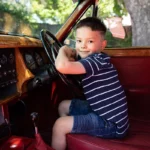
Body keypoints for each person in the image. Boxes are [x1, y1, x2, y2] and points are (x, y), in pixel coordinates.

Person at [52, 17, 129, 150]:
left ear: (102, 45)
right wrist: (72, 55)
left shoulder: (95, 62)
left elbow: (62, 66)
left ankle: (65, 130)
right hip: (101, 110)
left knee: (59, 125)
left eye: (90, 41)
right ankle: (71, 134)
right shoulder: (97, 59)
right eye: (79, 41)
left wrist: (63, 50)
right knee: (63, 106)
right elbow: (72, 61)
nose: (83, 46)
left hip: (111, 124)